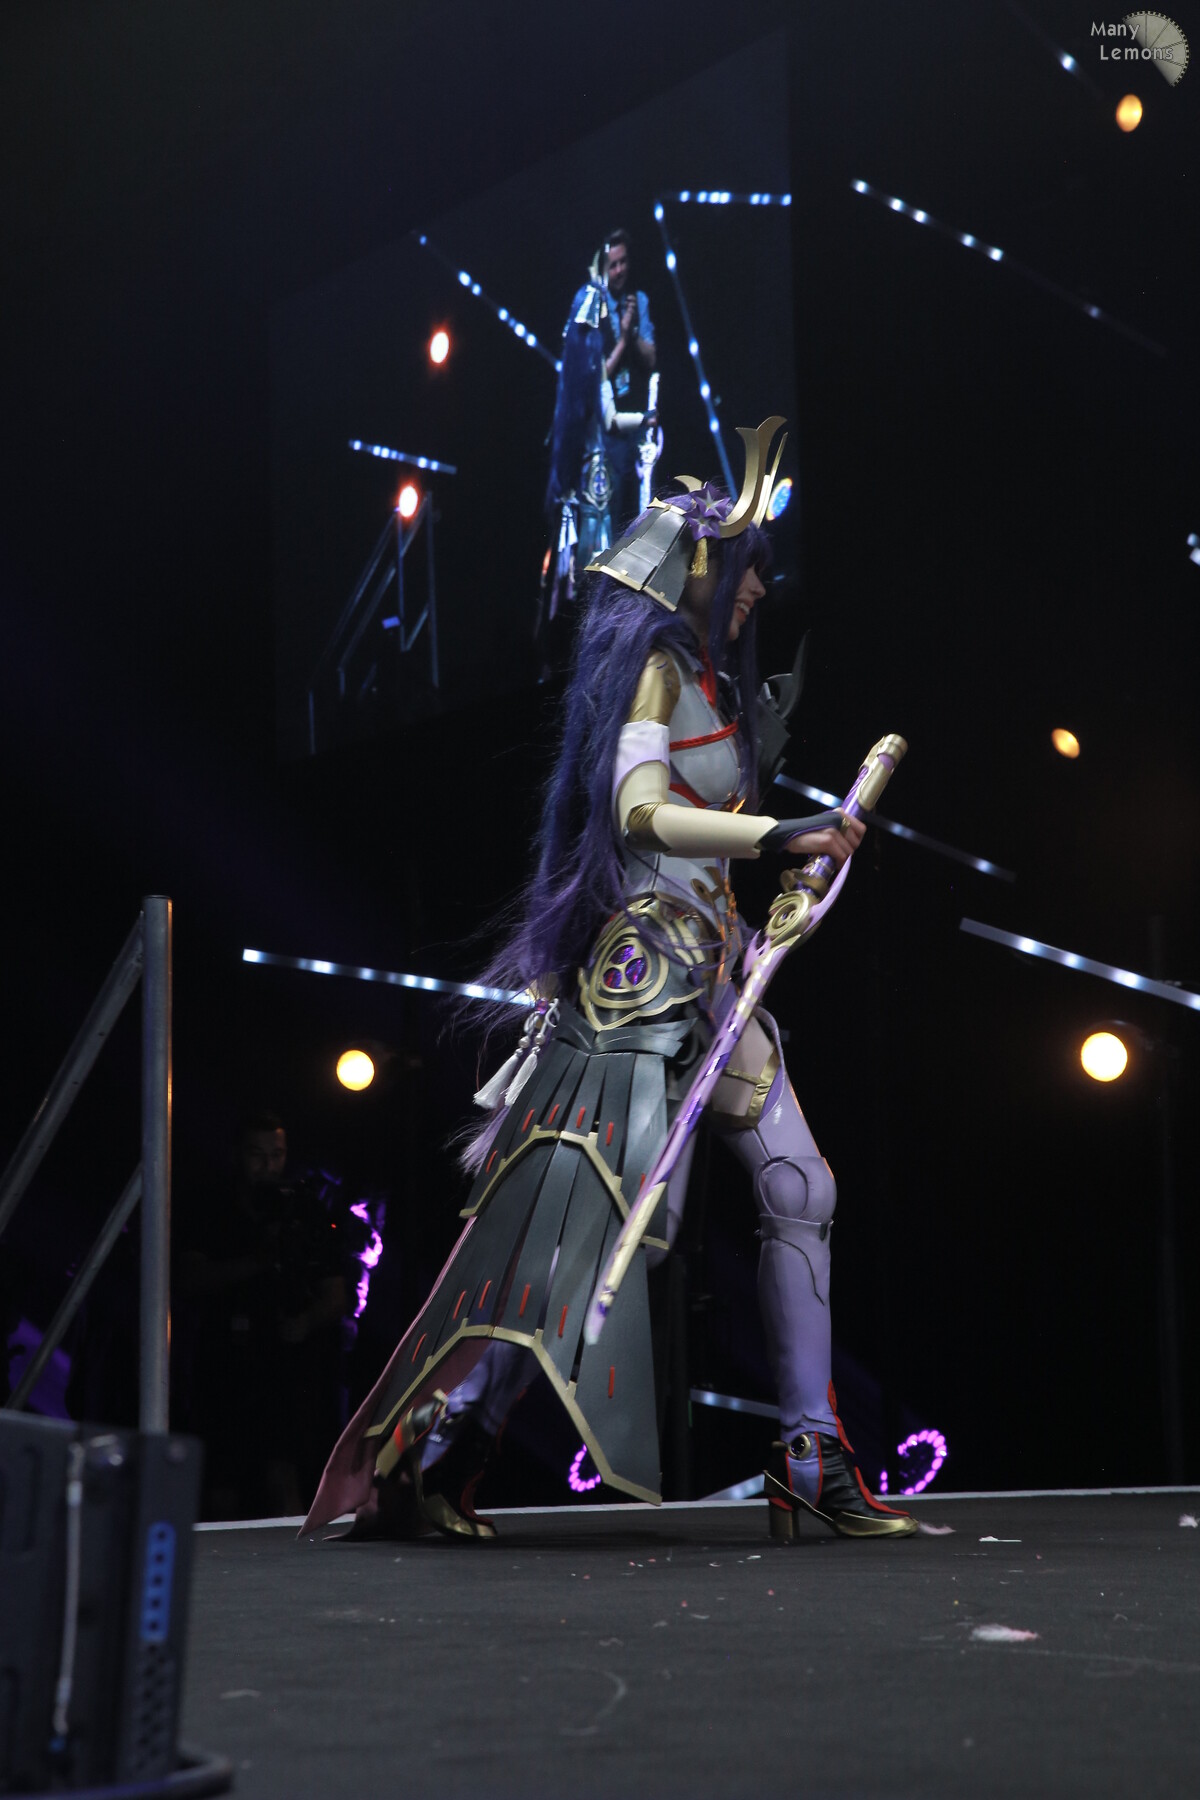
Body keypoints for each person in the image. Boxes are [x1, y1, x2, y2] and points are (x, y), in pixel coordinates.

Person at [304, 420, 915, 1545]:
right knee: (608, 1227)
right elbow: (638, 816)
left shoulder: (715, 683)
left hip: (715, 969)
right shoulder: (655, 671)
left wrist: (781, 866)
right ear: (695, 569)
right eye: (744, 570)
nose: (757, 590)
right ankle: (445, 1448)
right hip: (639, 986)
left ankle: (808, 1456)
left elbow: (703, 840)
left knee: (799, 1190)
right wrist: (781, 833)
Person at [178, 1110, 354, 1517]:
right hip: (224, 1361)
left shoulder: (306, 1212)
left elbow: (335, 1294)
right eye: (257, 1155)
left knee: (283, 1474)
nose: (268, 1166)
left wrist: (304, 1322)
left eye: (277, 1155)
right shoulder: (211, 1208)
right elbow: (189, 1279)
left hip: (285, 1366)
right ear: (237, 1154)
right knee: (221, 1484)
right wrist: (257, 1261)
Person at [540, 271, 656, 674]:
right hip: (583, 488)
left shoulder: (589, 373)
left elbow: (606, 418)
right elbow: (587, 423)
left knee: (597, 570)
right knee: (580, 575)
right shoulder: (576, 375)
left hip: (593, 483)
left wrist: (644, 418)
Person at [599, 228, 656, 532]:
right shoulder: (595, 307)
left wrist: (632, 333)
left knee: (642, 510)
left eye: (624, 262)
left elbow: (651, 359)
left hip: (639, 420)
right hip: (610, 429)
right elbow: (598, 376)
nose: (620, 270)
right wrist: (621, 339)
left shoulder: (639, 301)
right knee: (614, 512)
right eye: (613, 265)